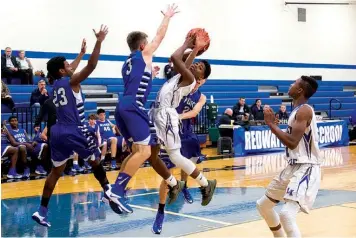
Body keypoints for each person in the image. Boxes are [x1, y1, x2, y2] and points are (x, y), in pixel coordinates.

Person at [32, 25, 121, 228]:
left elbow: (70, 68)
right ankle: (107, 191)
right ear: (63, 70)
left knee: (56, 172)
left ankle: (41, 211)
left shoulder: (56, 84)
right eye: (67, 64)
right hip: (74, 129)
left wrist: (80, 53)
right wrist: (99, 42)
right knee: (95, 159)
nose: (71, 65)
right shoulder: (72, 81)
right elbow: (91, 66)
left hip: (57, 132)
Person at [105, 4, 184, 214]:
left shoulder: (127, 63)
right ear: (142, 46)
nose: (151, 46)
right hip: (134, 107)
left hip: (122, 107)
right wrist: (167, 17)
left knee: (135, 152)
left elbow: (136, 82)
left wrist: (151, 72)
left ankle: (117, 192)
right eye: (147, 44)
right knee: (145, 151)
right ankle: (116, 191)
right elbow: (159, 36)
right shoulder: (143, 54)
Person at [152, 35, 216, 209]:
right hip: (158, 114)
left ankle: (203, 184)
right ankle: (175, 184)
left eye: (200, 66)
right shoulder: (182, 75)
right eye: (197, 62)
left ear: (201, 76)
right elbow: (179, 61)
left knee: (174, 156)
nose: (196, 64)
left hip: (166, 115)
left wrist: (191, 46)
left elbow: (174, 57)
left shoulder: (190, 79)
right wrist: (194, 50)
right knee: (151, 153)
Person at [257, 76, 320, 237]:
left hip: (307, 167)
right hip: (292, 167)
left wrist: (271, 125)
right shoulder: (296, 111)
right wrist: (277, 128)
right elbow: (294, 142)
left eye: (294, 83)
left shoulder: (305, 110)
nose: (290, 85)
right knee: (263, 206)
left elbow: (292, 142)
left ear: (300, 90)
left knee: (286, 215)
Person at [152, 61, 208, 234]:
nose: (197, 82)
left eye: (201, 80)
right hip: (170, 129)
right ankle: (160, 211)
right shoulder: (181, 84)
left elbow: (195, 112)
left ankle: (184, 188)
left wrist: (178, 115)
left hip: (186, 133)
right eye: (196, 78)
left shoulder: (201, 96)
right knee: (167, 174)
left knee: (186, 165)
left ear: (203, 80)